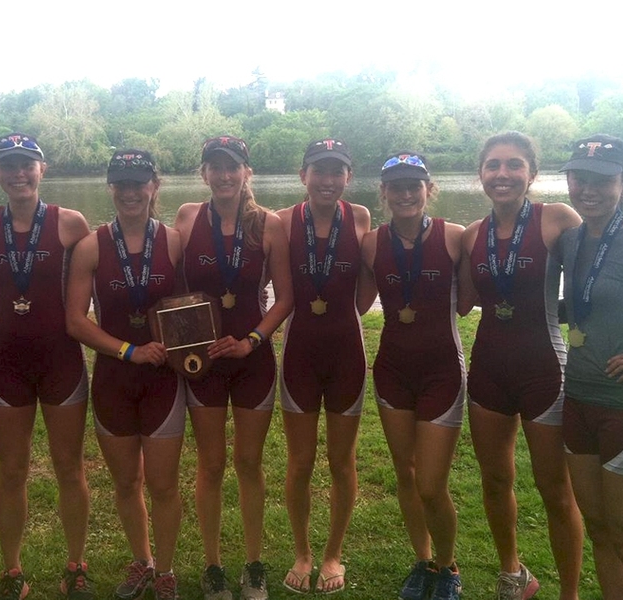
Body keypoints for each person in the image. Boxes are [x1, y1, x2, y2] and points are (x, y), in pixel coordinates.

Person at [458, 131, 584, 600]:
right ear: (481, 175)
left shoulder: (557, 219)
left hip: (545, 371)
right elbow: (462, 301)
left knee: (555, 490)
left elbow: (598, 271)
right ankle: (513, 574)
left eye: (514, 165)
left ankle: (569, 593)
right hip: (489, 369)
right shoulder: (472, 234)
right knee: (495, 480)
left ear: (532, 173)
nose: (503, 174)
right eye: (493, 165)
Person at [0, 133, 93, 600]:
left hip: (60, 360)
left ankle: (76, 566)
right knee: (11, 471)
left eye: (27, 165)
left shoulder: (71, 223)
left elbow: (103, 279)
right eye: (9, 165)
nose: (18, 174)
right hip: (7, 362)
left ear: (43, 169)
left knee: (69, 467)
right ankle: (12, 571)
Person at [173, 135, 293, 600]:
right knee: (211, 463)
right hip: (202, 360)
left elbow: (283, 298)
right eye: (215, 166)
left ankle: (254, 564)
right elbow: (165, 271)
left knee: (248, 462)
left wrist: (252, 341)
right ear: (204, 173)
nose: (224, 175)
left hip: (250, 359)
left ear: (247, 172)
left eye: (233, 166)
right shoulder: (186, 217)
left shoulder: (269, 224)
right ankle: (213, 566)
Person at [66, 149, 185, 600]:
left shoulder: (173, 241)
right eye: (122, 183)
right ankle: (143, 561)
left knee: (162, 482)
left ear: (155, 186)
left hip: (163, 380)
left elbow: (190, 308)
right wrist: (128, 351)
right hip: (115, 379)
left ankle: (167, 571)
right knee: (125, 481)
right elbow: (75, 320)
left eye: (140, 183)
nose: (131, 192)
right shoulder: (92, 246)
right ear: (110, 188)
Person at [558, 134, 623, 599]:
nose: (589, 190)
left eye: (602, 180)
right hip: (577, 403)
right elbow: (581, 303)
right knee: (600, 533)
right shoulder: (570, 239)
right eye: (579, 178)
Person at [359, 152, 465, 600]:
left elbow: (485, 284)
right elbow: (357, 303)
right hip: (392, 370)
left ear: (428, 189)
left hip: (442, 371)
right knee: (405, 472)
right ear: (383, 192)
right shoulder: (369, 243)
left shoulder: (457, 237)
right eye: (396, 186)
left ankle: (449, 565)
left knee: (431, 483)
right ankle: (422, 561)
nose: (405, 193)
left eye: (413, 185)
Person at [274, 139, 370, 595]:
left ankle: (332, 554)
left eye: (337, 172)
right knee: (299, 463)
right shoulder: (281, 223)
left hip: (347, 353)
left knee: (342, 462)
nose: (328, 180)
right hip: (300, 355)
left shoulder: (362, 218)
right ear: (303, 175)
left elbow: (368, 288)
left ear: (348, 178)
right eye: (319, 171)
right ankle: (302, 552)